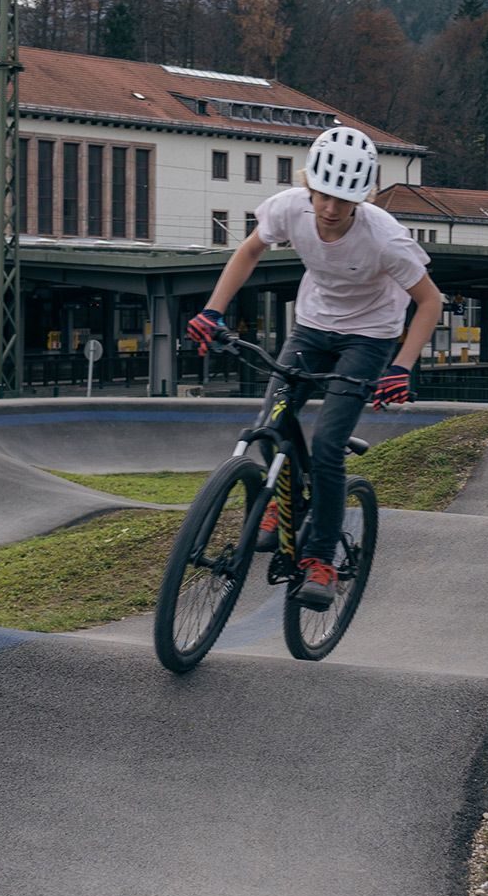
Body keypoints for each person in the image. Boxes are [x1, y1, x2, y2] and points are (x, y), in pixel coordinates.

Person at [186, 125, 441, 609]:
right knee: (272, 421)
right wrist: (212, 311)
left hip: (369, 337)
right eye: (322, 196)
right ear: (310, 185)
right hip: (311, 326)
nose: (329, 210)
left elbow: (430, 301)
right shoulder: (289, 208)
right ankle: (281, 501)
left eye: (343, 202)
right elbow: (249, 251)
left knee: (327, 445)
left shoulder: (385, 238)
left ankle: (321, 557)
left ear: (361, 197)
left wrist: (402, 367)